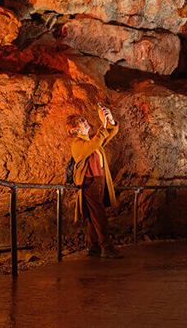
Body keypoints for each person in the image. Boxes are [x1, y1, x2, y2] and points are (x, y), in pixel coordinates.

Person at [68, 103, 123, 258]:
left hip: (98, 181)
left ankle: (92, 246)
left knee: (94, 215)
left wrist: (110, 120)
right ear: (74, 130)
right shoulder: (78, 144)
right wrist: (103, 124)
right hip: (89, 183)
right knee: (99, 215)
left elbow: (107, 135)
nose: (86, 122)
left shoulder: (90, 141)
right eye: (82, 122)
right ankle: (107, 247)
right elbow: (96, 142)